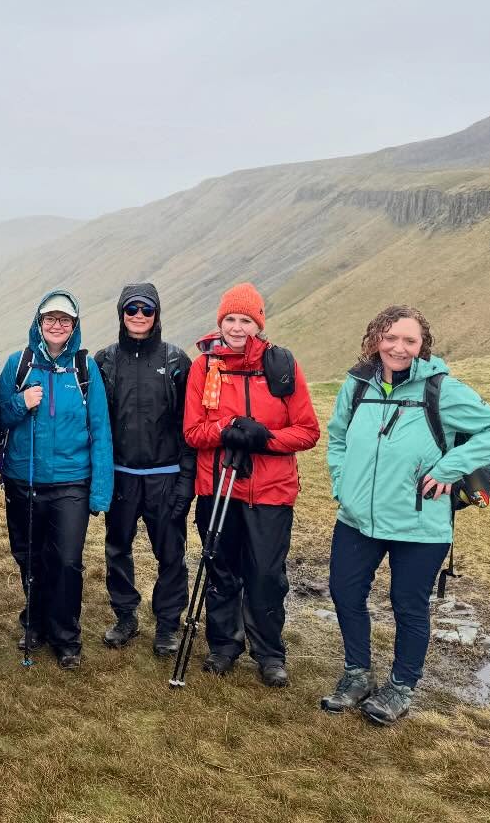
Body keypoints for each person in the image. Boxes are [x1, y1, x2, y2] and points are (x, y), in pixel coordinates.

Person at [322, 305, 490, 724]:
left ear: (422, 345)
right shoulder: (356, 386)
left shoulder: (440, 390)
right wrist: (342, 483)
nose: (399, 347)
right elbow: (337, 438)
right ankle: (356, 675)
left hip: (420, 524)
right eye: (390, 338)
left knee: (408, 605)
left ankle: (400, 687)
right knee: (345, 593)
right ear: (375, 339)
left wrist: (449, 469)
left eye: (410, 340)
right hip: (357, 519)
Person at [183, 282, 319, 687]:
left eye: (246, 320)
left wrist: (265, 439)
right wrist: (227, 429)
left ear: (258, 324)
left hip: (271, 492)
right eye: (230, 319)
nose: (237, 327)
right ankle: (223, 646)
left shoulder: (282, 366)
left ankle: (270, 653)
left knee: (265, 574)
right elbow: (192, 431)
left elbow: (308, 431)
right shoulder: (204, 367)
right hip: (218, 487)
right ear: (220, 322)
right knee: (220, 569)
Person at [0, 290, 113, 669]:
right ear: (39, 322)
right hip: (22, 478)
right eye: (50, 319)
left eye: (65, 320)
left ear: (74, 325)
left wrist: (100, 492)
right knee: (30, 557)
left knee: (65, 560)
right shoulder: (19, 364)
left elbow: (100, 429)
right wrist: (19, 402)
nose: (57, 325)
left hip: (70, 482)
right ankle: (35, 620)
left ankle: (66, 636)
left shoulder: (85, 368)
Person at [94, 283, 194, 657]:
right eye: (131, 309)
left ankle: (168, 624)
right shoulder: (105, 360)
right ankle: (125, 616)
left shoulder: (175, 361)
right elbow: (97, 424)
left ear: (157, 315)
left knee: (170, 553)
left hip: (164, 475)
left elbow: (188, 426)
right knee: (117, 549)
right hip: (121, 475)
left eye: (146, 310)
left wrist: (186, 480)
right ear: (121, 313)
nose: (138, 316)